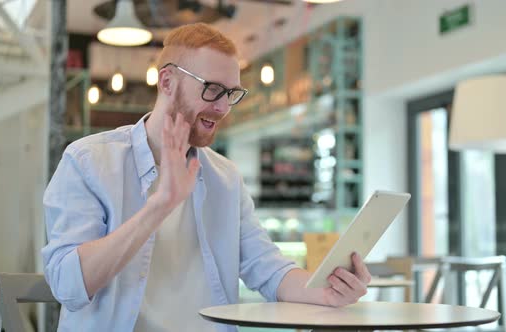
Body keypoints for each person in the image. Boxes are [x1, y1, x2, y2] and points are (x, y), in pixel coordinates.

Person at [42, 23, 372, 332]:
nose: (223, 107)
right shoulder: (88, 161)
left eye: (231, 93)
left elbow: (270, 269)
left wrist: (325, 293)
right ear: (167, 82)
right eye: (213, 89)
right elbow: (68, 285)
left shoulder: (225, 177)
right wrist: (160, 205)